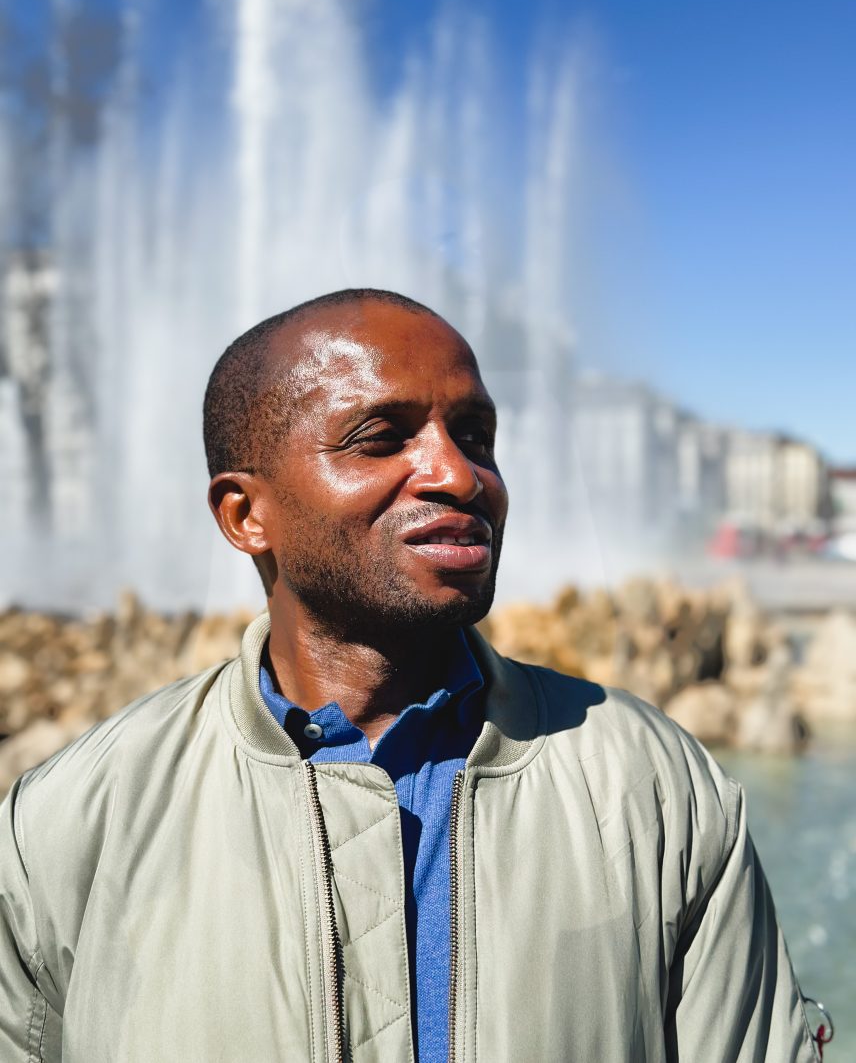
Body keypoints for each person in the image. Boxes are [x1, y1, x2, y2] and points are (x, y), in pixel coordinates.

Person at [0, 288, 818, 1062]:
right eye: (382, 437)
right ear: (246, 515)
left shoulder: (656, 788)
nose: (460, 475)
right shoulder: (67, 824)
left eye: (475, 435)